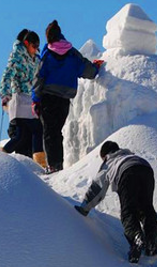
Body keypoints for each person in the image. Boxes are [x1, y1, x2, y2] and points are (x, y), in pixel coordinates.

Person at [32, 20, 104, 173]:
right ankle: (57, 164)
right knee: (56, 131)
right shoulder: (72, 53)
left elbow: (39, 77)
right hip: (64, 100)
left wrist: (35, 99)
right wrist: (96, 67)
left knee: (50, 133)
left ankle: (53, 166)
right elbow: (87, 70)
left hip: (48, 98)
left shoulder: (48, 53)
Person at [74, 141, 157, 263]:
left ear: (104, 155)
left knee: (128, 212)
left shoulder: (108, 162)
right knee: (146, 208)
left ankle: (136, 240)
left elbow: (97, 188)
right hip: (145, 168)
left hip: (127, 173)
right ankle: (152, 243)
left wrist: (85, 208)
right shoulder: (129, 154)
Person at [0, 29, 47, 168]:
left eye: (37, 47)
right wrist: (5, 95)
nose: (35, 49)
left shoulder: (35, 58)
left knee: (28, 133)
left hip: (30, 99)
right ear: (26, 43)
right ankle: (38, 162)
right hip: (19, 99)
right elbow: (7, 75)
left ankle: (2, 156)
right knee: (30, 131)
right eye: (34, 46)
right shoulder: (17, 56)